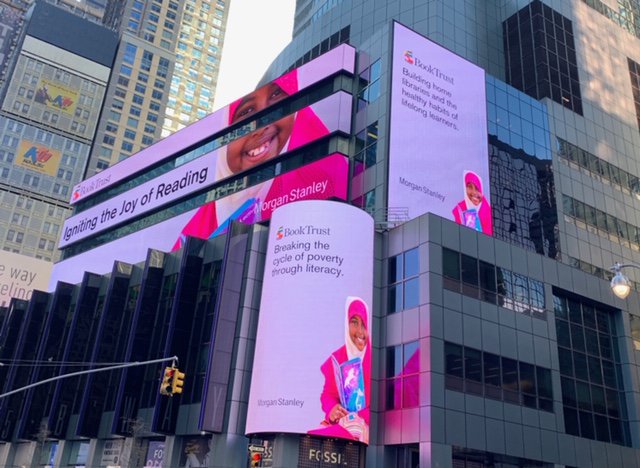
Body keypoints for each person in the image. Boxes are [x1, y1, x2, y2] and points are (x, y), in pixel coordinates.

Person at [172, 69, 331, 250]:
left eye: (277, 95)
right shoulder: (194, 233)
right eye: (247, 112)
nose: (263, 125)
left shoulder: (326, 175)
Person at [308, 297, 371, 443]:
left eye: (364, 324)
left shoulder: (377, 359)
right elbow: (327, 395)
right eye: (354, 322)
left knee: (355, 430)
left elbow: (384, 404)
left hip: (366, 428)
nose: (360, 332)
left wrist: (360, 416)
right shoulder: (337, 358)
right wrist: (332, 409)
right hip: (340, 424)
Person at [452, 170, 493, 235]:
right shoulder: (459, 209)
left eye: (477, 188)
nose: (474, 192)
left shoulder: (488, 211)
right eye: (470, 187)